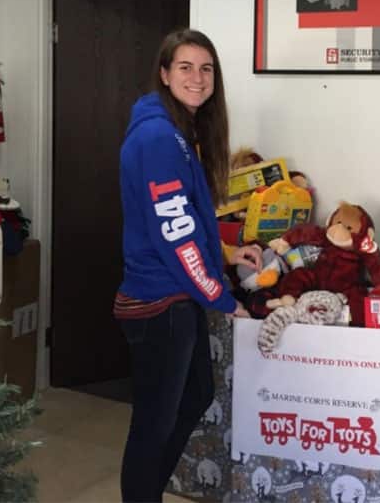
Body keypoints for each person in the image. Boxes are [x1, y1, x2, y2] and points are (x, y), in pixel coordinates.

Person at [114, 28, 261, 503]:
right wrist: (221, 296)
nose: (197, 78)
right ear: (163, 74)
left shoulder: (177, 132)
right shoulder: (159, 138)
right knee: (153, 425)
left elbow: (186, 218)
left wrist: (224, 253)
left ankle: (148, 493)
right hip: (161, 303)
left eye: (206, 69)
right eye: (185, 67)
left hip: (175, 296)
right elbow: (175, 234)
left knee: (194, 397)